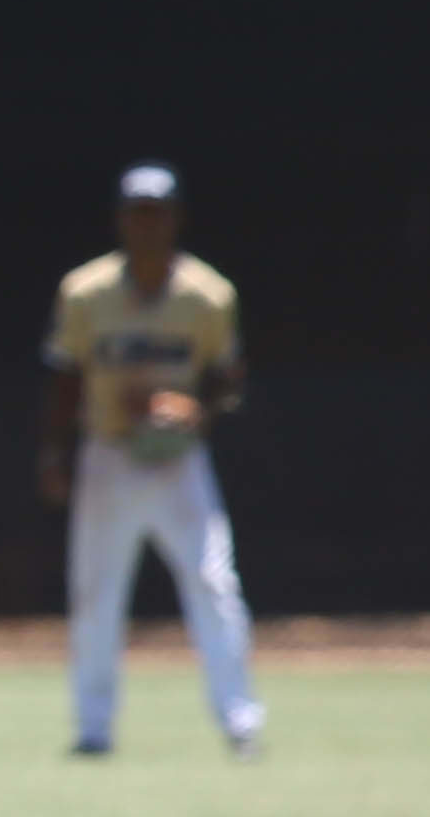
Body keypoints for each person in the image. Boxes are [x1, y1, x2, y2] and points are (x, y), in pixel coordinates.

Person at [42, 162, 264, 759]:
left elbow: (228, 376)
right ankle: (93, 729)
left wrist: (195, 407)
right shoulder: (86, 292)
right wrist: (57, 452)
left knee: (214, 582)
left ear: (175, 219)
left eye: (157, 211)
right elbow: (66, 376)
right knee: (94, 593)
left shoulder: (207, 296)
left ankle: (241, 722)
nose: (147, 223)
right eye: (137, 211)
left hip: (177, 462)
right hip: (109, 454)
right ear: (120, 219)